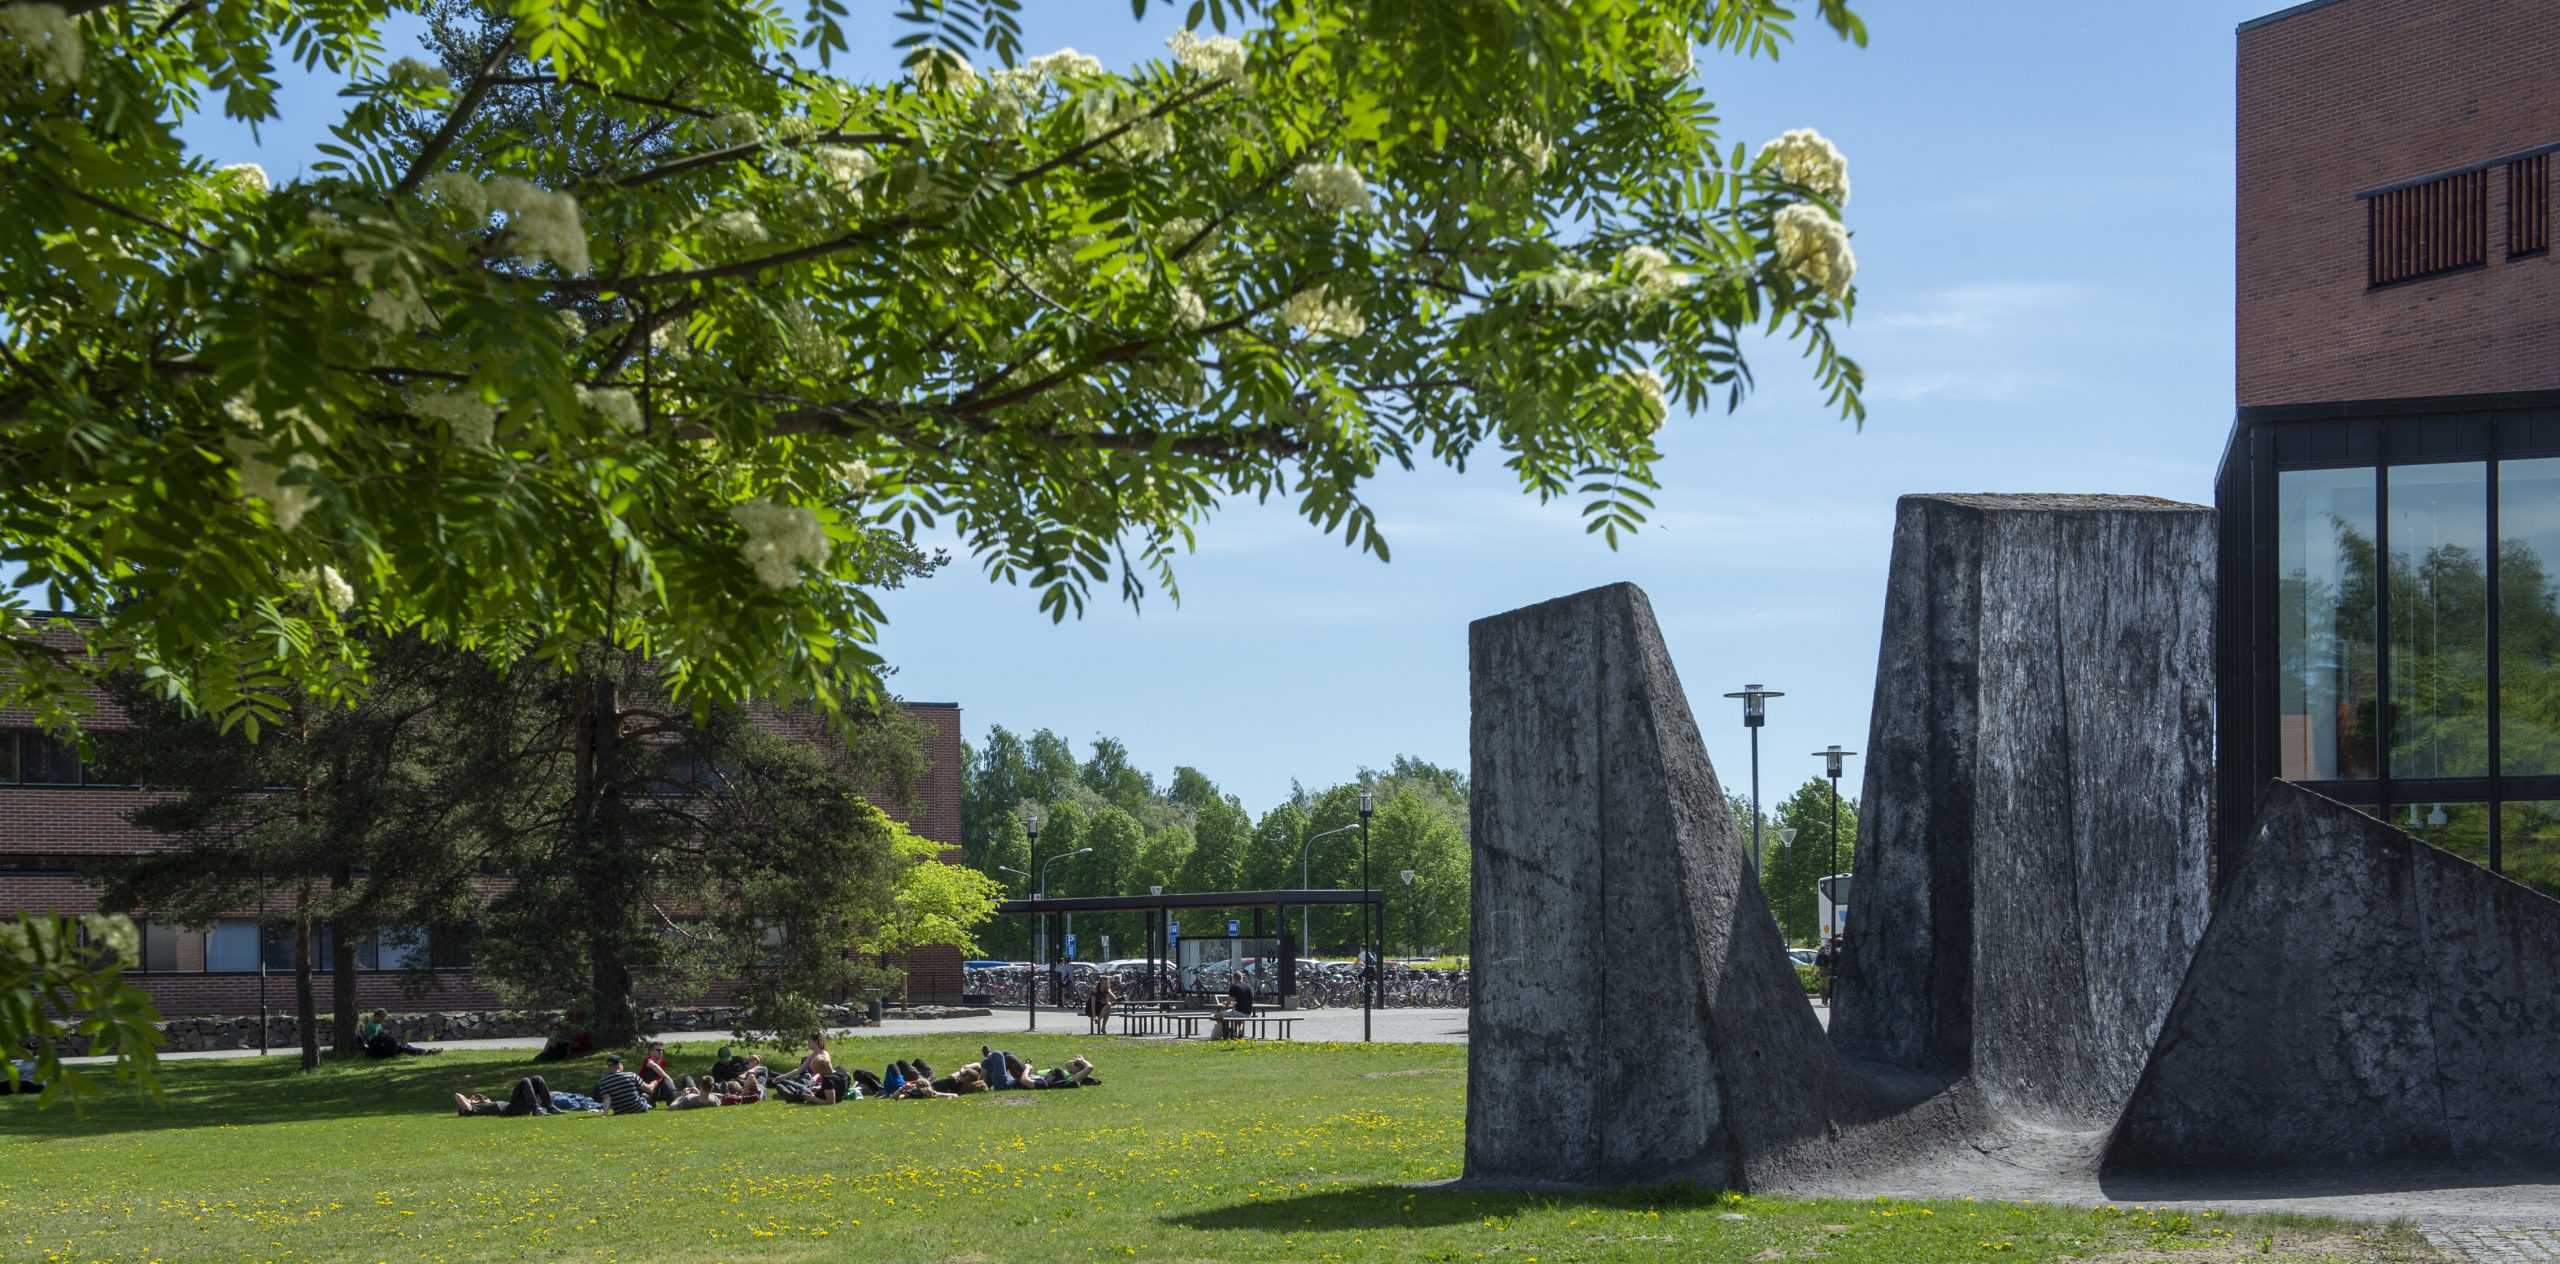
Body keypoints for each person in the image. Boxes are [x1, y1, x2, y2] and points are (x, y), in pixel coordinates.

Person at [454, 1075, 555, 1117]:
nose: (480, 1099)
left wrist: (487, 1101)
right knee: (524, 1081)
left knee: (537, 1079)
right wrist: (470, 1101)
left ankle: (551, 1107)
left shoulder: (486, 1105)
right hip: (513, 1110)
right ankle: (536, 1110)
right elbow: (457, 1095)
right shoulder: (473, 1109)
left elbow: (490, 1104)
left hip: (515, 1106)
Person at [361, 1009, 441, 1058]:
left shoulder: (378, 1024)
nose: (383, 1020)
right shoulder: (370, 1025)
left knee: (405, 1045)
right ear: (376, 1016)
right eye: (382, 1018)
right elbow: (371, 1040)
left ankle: (426, 1051)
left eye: (384, 1018)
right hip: (378, 1047)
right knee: (402, 1047)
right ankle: (425, 1052)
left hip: (383, 1044)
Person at [1085, 972, 1116, 1036]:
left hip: (1100, 1008)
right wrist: (1093, 1015)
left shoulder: (1107, 989)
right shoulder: (1095, 990)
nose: (1104, 984)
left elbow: (1114, 998)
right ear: (1100, 982)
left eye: (1106, 983)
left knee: (1108, 1005)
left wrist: (1108, 991)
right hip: (1091, 1008)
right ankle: (1102, 1027)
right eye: (1103, 983)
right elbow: (1092, 1003)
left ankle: (1101, 1024)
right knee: (1107, 1009)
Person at [1814, 935, 1839, 1005]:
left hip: (1821, 969)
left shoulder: (1822, 948)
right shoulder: (1833, 949)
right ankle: (1826, 999)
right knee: (1828, 985)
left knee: (1822, 984)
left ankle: (1823, 998)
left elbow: (1817, 959)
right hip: (1829, 969)